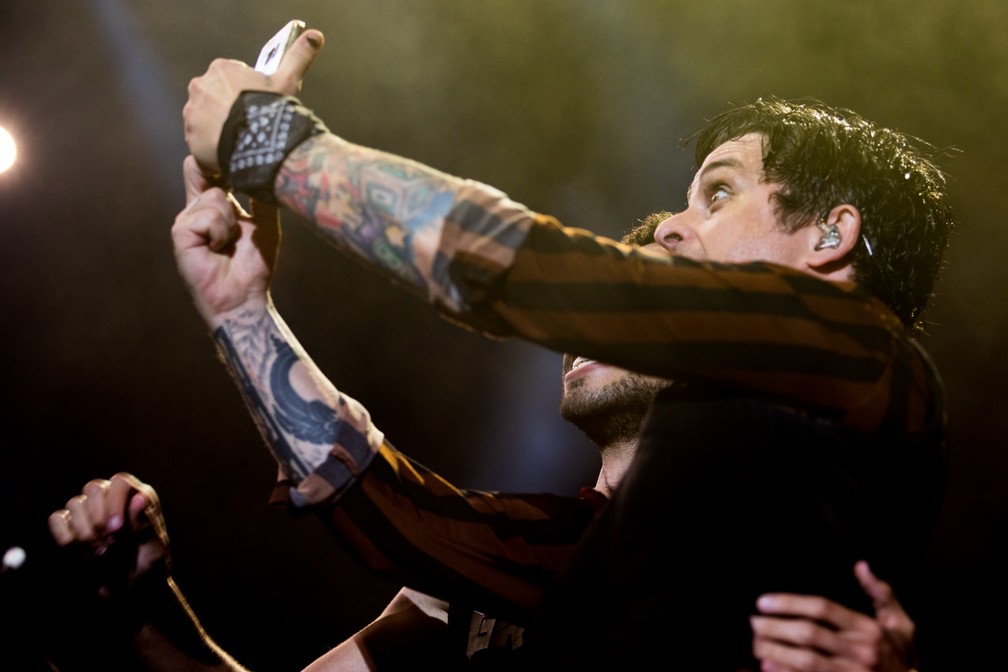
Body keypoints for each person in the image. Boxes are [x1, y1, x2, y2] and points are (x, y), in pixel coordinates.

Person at [177, 26, 951, 670]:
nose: (673, 230)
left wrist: (268, 139)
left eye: (718, 194)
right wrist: (240, 312)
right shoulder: (625, 539)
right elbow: (404, 517)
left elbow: (521, 269)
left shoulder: (862, 354)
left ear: (830, 235)